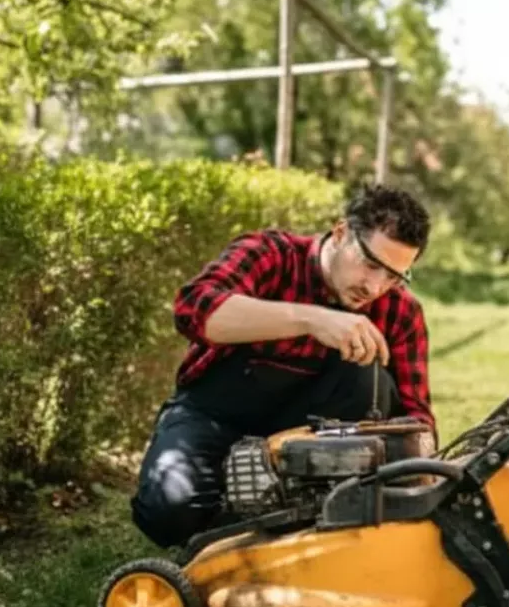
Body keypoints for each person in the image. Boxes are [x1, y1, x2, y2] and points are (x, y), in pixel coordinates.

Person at [129, 183, 437, 549]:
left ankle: (296, 516)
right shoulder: (273, 255)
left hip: (311, 441)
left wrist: (427, 484)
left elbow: (417, 420)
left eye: (393, 276)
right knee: (169, 512)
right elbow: (193, 309)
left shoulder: (401, 313)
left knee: (369, 379)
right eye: (370, 264)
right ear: (341, 233)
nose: (374, 287)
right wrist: (311, 319)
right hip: (215, 414)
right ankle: (249, 514)